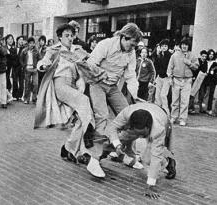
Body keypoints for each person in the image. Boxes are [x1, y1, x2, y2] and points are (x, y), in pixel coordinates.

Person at [35, 23, 107, 178]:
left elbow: (91, 60)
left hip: (75, 85)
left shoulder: (77, 50)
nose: (69, 38)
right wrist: (42, 66)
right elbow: (44, 61)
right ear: (60, 37)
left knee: (84, 117)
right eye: (66, 35)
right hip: (60, 84)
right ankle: (89, 134)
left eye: (72, 35)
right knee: (84, 101)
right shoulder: (54, 49)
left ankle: (68, 148)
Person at [84, 23, 143, 177]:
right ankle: (94, 160)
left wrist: (134, 94)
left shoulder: (131, 53)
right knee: (102, 117)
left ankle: (125, 152)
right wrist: (101, 73)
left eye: (135, 45)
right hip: (97, 84)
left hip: (112, 87)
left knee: (130, 116)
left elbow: (130, 76)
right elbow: (90, 63)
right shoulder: (106, 44)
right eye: (131, 44)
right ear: (124, 37)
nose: (132, 48)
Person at [105, 103, 176, 199]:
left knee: (148, 159)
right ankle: (102, 155)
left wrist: (150, 186)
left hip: (160, 116)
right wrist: (117, 145)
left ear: (148, 128)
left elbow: (156, 157)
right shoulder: (127, 113)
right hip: (137, 121)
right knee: (115, 139)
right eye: (137, 133)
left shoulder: (158, 130)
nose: (140, 137)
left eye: (142, 133)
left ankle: (168, 162)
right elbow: (112, 127)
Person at [167, 39, 199, 126]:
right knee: (175, 100)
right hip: (176, 79)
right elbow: (170, 67)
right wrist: (170, 78)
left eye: (186, 45)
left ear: (189, 46)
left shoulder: (192, 55)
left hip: (187, 80)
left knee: (185, 101)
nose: (184, 46)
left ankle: (183, 119)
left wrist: (189, 62)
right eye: (183, 44)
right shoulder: (175, 55)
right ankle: (173, 117)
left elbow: (196, 67)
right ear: (181, 45)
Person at [153, 39, 172, 115]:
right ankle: (157, 111)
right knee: (157, 96)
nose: (164, 47)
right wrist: (157, 54)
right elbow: (156, 66)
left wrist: (170, 77)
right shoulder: (159, 54)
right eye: (162, 46)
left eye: (165, 46)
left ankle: (166, 112)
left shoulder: (170, 56)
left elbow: (169, 67)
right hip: (159, 77)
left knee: (163, 95)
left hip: (167, 78)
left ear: (167, 47)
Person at [198, 49, 217, 115]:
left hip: (211, 81)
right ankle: (201, 108)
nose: (211, 55)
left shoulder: (215, 63)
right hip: (203, 80)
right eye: (210, 54)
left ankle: (208, 109)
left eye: (212, 54)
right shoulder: (205, 61)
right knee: (202, 94)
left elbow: (214, 72)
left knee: (210, 95)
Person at [21, 37, 40, 104]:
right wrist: (24, 66)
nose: (32, 44)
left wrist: (37, 66)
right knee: (27, 84)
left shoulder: (36, 51)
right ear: (28, 44)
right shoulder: (24, 51)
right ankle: (26, 98)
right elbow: (21, 59)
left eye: (33, 43)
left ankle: (34, 98)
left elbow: (39, 59)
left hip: (34, 69)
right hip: (27, 69)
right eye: (30, 43)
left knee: (35, 84)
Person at [12, 35, 26, 101]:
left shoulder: (24, 49)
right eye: (20, 39)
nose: (21, 41)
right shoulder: (14, 48)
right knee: (15, 81)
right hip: (15, 67)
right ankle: (14, 95)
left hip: (22, 67)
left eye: (22, 40)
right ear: (17, 41)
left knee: (21, 81)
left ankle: (20, 95)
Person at [5, 34, 16, 101]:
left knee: (8, 79)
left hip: (10, 67)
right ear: (6, 40)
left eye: (12, 39)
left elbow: (14, 57)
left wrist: (9, 53)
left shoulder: (14, 49)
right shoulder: (4, 47)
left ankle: (8, 95)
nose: (10, 40)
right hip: (4, 66)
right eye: (9, 39)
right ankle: (7, 96)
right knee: (5, 80)